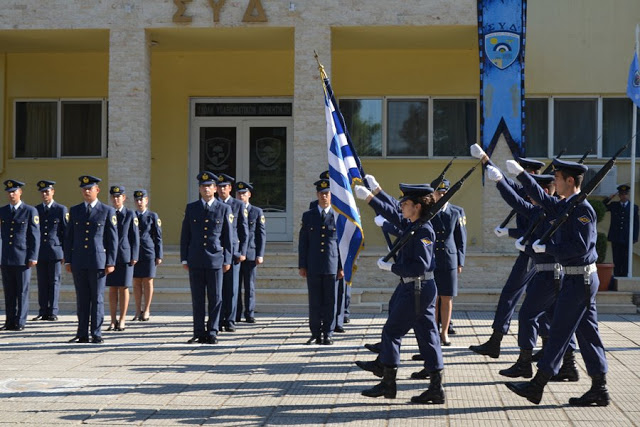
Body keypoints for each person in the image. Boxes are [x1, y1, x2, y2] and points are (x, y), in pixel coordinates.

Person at [504, 158, 610, 406]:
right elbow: (541, 199)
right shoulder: (568, 205)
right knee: (588, 334)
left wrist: (548, 248)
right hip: (577, 278)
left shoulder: (582, 210)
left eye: (558, 178)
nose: (554, 182)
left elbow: (580, 248)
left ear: (570, 181)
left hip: (579, 279)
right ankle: (599, 388)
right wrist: (520, 175)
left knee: (560, 332)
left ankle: (537, 385)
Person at [486, 166, 580, 383]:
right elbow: (517, 204)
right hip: (549, 274)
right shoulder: (543, 212)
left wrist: (530, 246)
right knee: (556, 319)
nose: (529, 195)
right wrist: (500, 182)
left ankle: (524, 363)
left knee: (528, 315)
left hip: (549, 275)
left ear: (545, 192)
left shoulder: (557, 213)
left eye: (534, 191)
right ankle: (568, 365)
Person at [353, 181, 444, 403]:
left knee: (392, 332)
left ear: (417, 206)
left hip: (417, 287)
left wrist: (391, 267)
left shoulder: (423, 229)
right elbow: (393, 213)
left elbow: (420, 266)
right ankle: (435, 388)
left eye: (405, 203)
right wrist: (371, 198)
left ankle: (388, 384)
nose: (401, 205)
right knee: (428, 336)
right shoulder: (413, 223)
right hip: (418, 287)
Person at [468, 144, 545, 358]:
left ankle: (496, 342)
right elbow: (502, 179)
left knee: (512, 295)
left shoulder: (538, 198)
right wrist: (484, 158)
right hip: (530, 252)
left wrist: (510, 232)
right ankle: (547, 346)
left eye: (524, 173)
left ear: (531, 174)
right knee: (540, 301)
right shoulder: (527, 192)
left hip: (533, 255)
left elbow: (513, 199)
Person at [64, 175, 118, 344]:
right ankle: (82, 333)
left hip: (98, 261)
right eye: (84, 189)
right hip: (79, 260)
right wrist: (68, 260)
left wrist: (110, 261)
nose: (87, 191)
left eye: (90, 188)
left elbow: (112, 239)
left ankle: (96, 333)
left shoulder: (106, 211)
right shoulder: (75, 210)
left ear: (97, 190)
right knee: (82, 298)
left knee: (97, 297)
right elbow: (69, 237)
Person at [181, 171, 232, 344]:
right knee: (197, 298)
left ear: (215, 188)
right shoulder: (192, 207)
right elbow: (185, 235)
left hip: (215, 259)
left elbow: (228, 236)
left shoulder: (223, 208)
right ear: (199, 189)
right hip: (195, 258)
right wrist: (184, 258)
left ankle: (212, 331)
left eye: (209, 186)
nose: (206, 189)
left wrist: (227, 259)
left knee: (215, 297)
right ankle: (198, 331)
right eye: (203, 186)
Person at [298, 178, 343, 345]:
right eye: (321, 194)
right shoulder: (309, 216)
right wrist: (302, 265)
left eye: (327, 194)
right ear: (317, 195)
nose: (324, 197)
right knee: (315, 301)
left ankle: (328, 333)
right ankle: (315, 332)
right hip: (314, 264)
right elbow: (303, 243)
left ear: (331, 195)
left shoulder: (338, 216)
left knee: (330, 301)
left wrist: (341, 267)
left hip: (332, 265)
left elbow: (341, 245)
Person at [430, 179, 466, 346]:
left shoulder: (457, 211)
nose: (442, 195)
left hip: (449, 259)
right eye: (439, 192)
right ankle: (434, 331)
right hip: (432, 260)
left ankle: (444, 332)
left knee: (447, 297)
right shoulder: (429, 211)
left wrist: (460, 261)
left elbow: (461, 238)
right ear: (433, 194)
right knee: (433, 297)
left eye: (445, 193)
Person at [0, 180, 39, 331]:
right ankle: (9, 320)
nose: (11, 195)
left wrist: (33, 256)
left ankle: (20, 321)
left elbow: (34, 236)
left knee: (22, 291)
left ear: (20, 192)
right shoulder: (3, 211)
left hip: (23, 258)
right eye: (9, 192)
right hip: (6, 257)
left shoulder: (29, 211)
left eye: (14, 192)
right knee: (9, 291)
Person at [215, 173, 248, 332]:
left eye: (225, 187)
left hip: (233, 253)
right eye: (220, 187)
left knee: (232, 289)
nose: (222, 190)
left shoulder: (238, 205)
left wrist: (242, 251)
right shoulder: (213, 204)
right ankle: (218, 319)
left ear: (230, 188)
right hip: (215, 253)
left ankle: (230, 320)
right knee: (217, 289)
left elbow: (243, 231)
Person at [106, 186, 139, 332]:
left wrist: (134, 255)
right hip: (111, 257)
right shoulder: (107, 213)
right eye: (113, 197)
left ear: (124, 198)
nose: (116, 199)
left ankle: (122, 319)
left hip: (125, 255)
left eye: (119, 196)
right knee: (112, 288)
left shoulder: (130, 214)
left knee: (124, 287)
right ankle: (112, 320)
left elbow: (134, 237)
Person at [33, 180, 67, 322]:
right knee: (42, 282)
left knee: (54, 281)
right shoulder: (36, 210)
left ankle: (52, 311)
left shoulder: (60, 209)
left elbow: (65, 232)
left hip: (55, 251)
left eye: (47, 191)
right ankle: (43, 311)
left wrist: (66, 253)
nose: (45, 194)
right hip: (41, 251)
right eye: (42, 192)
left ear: (52, 192)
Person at [235, 182, 265, 324]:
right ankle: (236, 313)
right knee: (235, 286)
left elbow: (261, 235)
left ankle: (249, 313)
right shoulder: (232, 209)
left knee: (249, 286)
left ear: (249, 195)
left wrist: (260, 254)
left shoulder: (256, 211)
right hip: (236, 254)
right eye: (239, 193)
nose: (241, 196)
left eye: (244, 193)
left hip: (251, 253)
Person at [132, 189, 163, 322]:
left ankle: (147, 309)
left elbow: (158, 237)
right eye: (137, 200)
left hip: (148, 252)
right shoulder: (131, 215)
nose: (139, 202)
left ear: (146, 200)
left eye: (142, 199)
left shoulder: (152, 216)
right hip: (134, 253)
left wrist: (159, 254)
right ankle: (138, 310)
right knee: (136, 281)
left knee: (148, 281)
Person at [603, 184, 639, 278]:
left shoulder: (633, 207)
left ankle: (625, 278)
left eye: (625, 194)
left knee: (626, 259)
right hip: (616, 237)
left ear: (628, 195)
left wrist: (634, 237)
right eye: (622, 194)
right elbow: (603, 207)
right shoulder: (614, 205)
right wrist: (609, 198)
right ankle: (617, 277)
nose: (624, 196)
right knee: (617, 259)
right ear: (619, 195)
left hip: (627, 237)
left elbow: (636, 223)